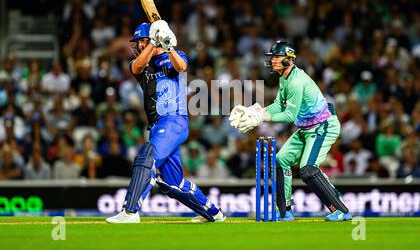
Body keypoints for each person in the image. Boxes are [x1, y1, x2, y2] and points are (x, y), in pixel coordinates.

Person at [106, 21, 225, 223]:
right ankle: (213, 213)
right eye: (140, 43)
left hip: (173, 120)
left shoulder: (174, 55)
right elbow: (137, 65)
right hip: (157, 126)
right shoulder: (141, 65)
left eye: (143, 42)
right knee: (172, 183)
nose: (140, 46)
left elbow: (182, 66)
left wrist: (168, 47)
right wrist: (153, 41)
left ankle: (130, 211)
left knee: (146, 158)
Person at [230, 40, 352, 222]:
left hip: (323, 126)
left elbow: (289, 115)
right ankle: (284, 211)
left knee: (308, 170)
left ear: (290, 59)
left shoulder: (295, 81)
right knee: (280, 161)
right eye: (273, 58)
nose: (273, 61)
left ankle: (341, 210)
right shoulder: (284, 77)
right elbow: (279, 104)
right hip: (306, 128)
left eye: (277, 57)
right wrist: (259, 112)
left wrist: (261, 118)